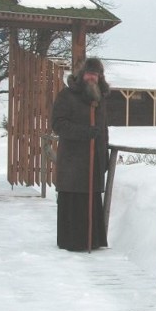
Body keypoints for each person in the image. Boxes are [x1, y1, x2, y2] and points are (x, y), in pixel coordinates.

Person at [52, 58, 110, 251]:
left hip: (94, 161)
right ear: (81, 75)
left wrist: (105, 154)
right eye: (89, 73)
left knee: (91, 200)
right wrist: (84, 132)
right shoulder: (67, 96)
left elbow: (103, 129)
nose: (91, 77)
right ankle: (74, 241)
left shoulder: (99, 98)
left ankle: (93, 240)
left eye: (95, 74)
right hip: (73, 163)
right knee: (75, 201)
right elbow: (58, 124)